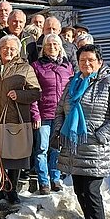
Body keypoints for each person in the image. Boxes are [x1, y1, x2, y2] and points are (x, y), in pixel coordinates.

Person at [53, 44, 110, 219]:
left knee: (92, 193)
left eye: (91, 60)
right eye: (82, 60)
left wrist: (100, 135)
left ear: (99, 62)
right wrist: (58, 131)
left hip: (95, 150)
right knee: (80, 192)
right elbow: (60, 111)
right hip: (73, 149)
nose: (86, 64)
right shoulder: (72, 83)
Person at [0, 35, 41, 206]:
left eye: (12, 49)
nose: (8, 51)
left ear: (18, 51)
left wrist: (19, 95)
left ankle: (12, 190)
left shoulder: (25, 68)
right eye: (5, 48)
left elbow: (36, 92)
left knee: (15, 157)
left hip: (15, 118)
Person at [30, 33, 74, 193]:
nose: (52, 47)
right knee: (42, 149)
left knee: (57, 149)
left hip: (61, 115)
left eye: (55, 44)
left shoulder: (67, 67)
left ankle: (55, 179)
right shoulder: (37, 66)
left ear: (60, 47)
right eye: (49, 44)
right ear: (44, 48)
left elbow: (72, 91)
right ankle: (43, 182)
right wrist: (35, 114)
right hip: (44, 114)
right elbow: (33, 92)